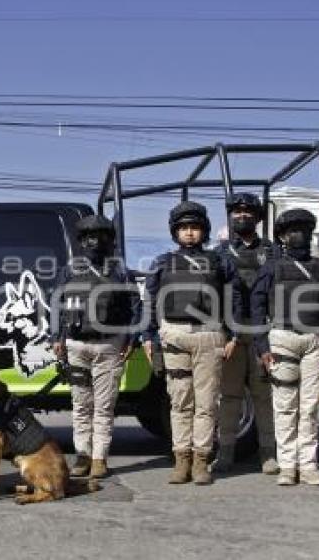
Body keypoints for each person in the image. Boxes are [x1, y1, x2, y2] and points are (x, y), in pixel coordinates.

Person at [144, 201, 242, 485]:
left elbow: (233, 299)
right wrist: (148, 336)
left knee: (207, 403)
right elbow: (149, 300)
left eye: (195, 227)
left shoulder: (220, 261)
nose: (189, 233)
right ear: (175, 232)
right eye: (184, 228)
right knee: (180, 401)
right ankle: (181, 460)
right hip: (174, 335)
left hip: (209, 336)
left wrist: (234, 334)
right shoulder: (162, 262)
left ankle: (201, 462)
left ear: (204, 231)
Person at [250, 209, 319, 486]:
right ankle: (288, 466)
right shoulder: (271, 268)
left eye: (303, 229)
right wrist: (261, 344)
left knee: (310, 407)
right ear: (281, 236)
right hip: (282, 339)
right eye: (291, 230)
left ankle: (309, 465)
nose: (298, 235)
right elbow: (256, 307)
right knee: (284, 406)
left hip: (317, 341)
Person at [51, 214, 140, 479]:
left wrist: (130, 339)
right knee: (81, 405)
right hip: (76, 345)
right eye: (89, 237)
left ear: (110, 240)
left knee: (104, 406)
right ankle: (83, 455)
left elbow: (135, 307)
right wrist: (56, 337)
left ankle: (100, 458)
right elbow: (55, 304)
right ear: (81, 241)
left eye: (101, 236)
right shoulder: (69, 271)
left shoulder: (120, 271)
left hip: (109, 346)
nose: (95, 242)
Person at [213, 193, 279, 475]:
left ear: (259, 217)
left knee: (264, 396)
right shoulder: (220, 252)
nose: (242, 216)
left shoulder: (274, 251)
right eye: (237, 212)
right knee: (229, 397)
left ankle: (268, 454)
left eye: (248, 212)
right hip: (232, 332)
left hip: (264, 331)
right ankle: (225, 453)